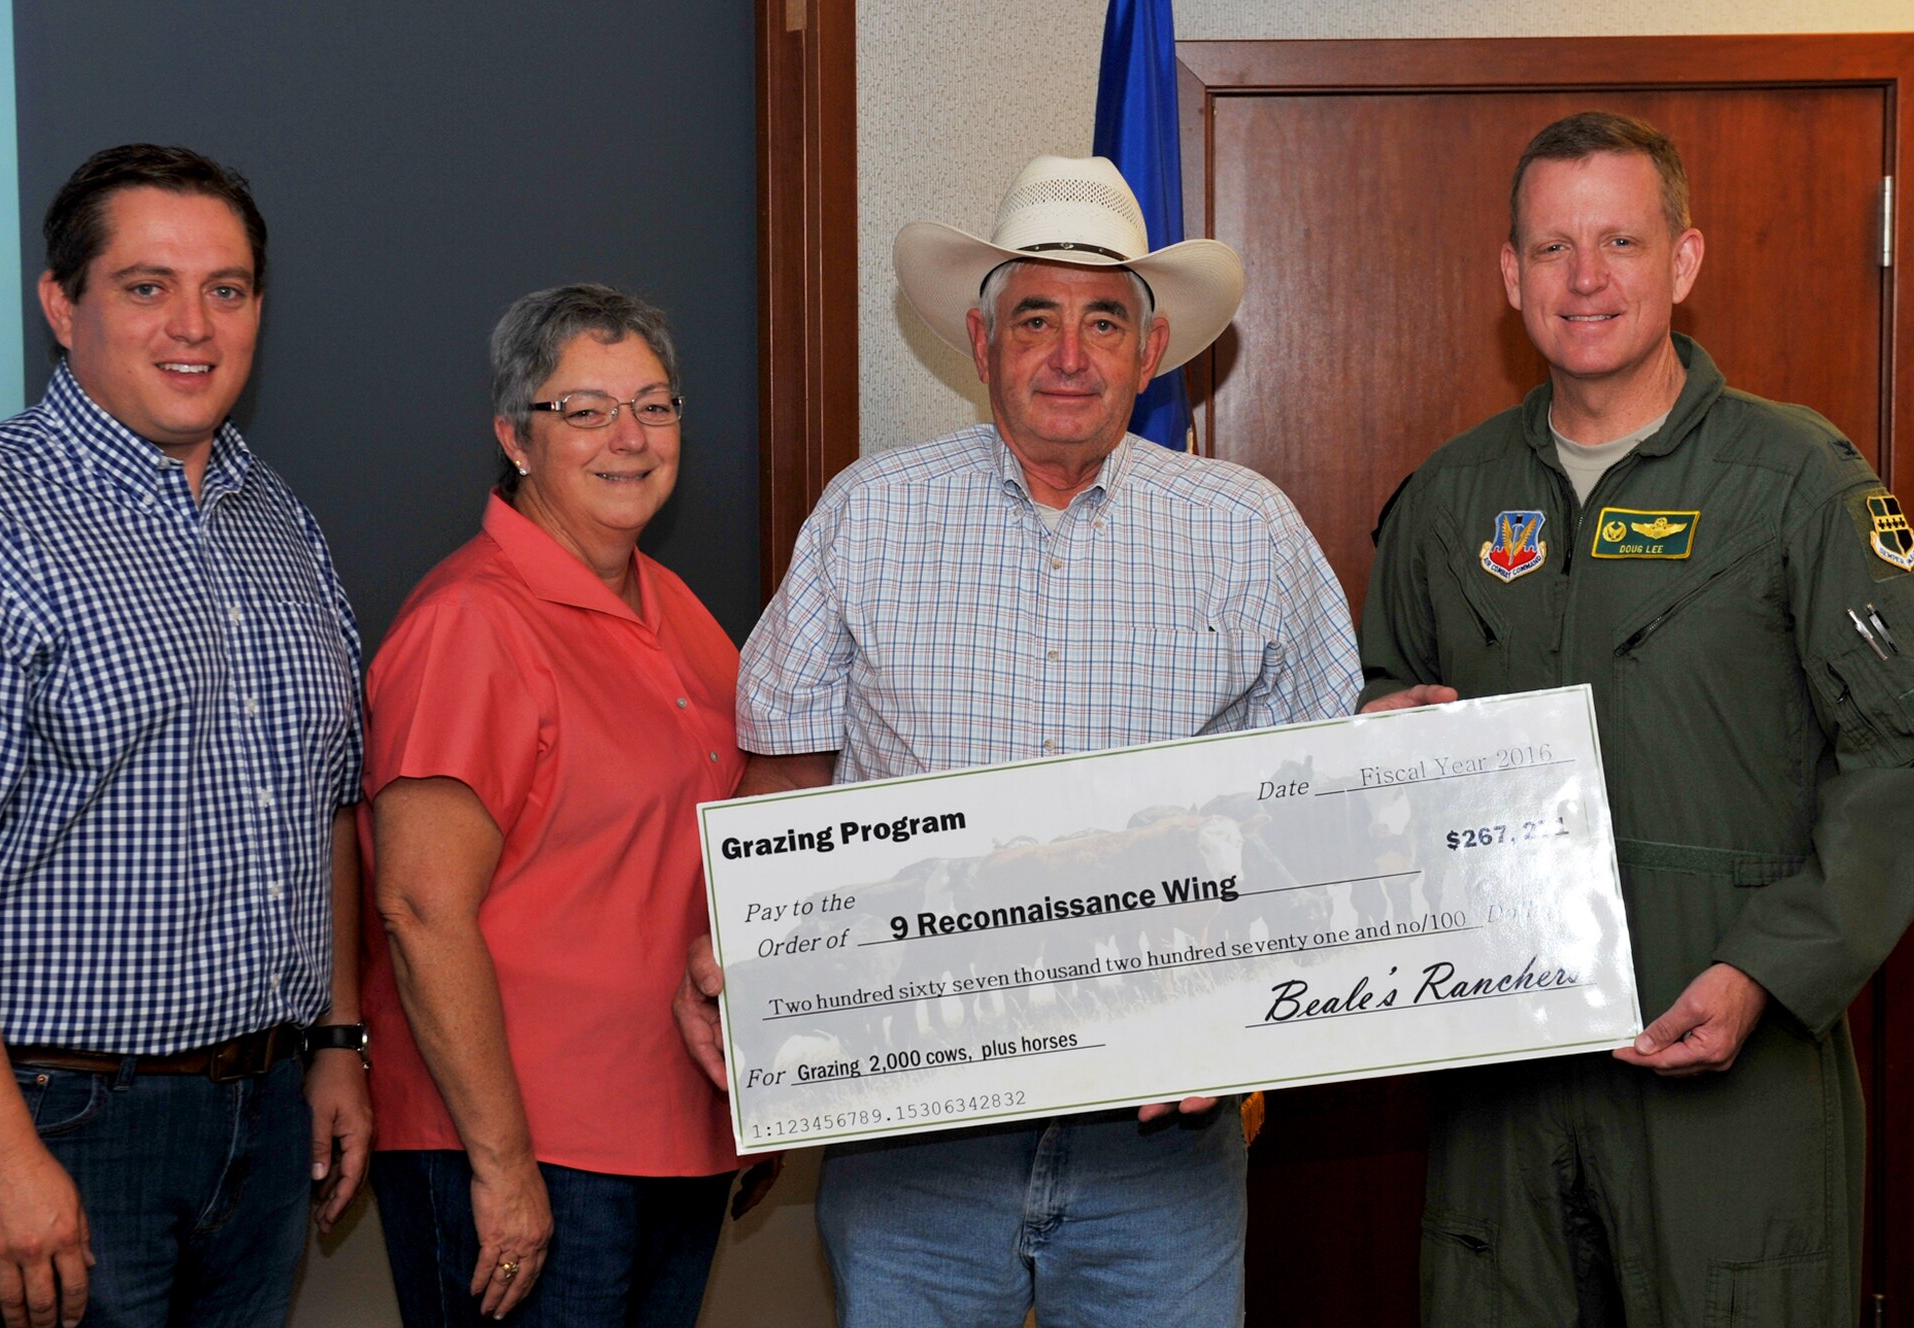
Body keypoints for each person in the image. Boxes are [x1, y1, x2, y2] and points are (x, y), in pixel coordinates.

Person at [674, 154, 1361, 1327]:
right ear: (977, 338)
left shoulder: (1249, 529)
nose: (1068, 352)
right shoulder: (865, 514)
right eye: (1033, 315)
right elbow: (780, 782)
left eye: (1104, 321)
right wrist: (729, 951)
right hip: (912, 1131)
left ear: (1151, 354)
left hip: (1164, 1140)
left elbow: (1321, 803)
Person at [1361, 111, 1914, 1325]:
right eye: (1551, 247)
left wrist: (1769, 967)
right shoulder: (1445, 500)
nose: (1585, 277)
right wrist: (1377, 736)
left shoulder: (1799, 482)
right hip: (1499, 1068)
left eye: (1618, 238)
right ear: (1510, 276)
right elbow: (1376, 706)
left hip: (1728, 1044)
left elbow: (1899, 752)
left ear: (1681, 261)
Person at [0, 144, 371, 1328]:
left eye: (225, 288)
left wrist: (334, 1039)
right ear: (62, 305)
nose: (194, 324)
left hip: (263, 1118)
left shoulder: (279, 521)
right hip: (56, 1116)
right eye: (144, 284)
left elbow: (323, 806)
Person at [361, 284, 744, 1326]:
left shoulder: (684, 615)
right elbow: (419, 909)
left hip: (674, 1137)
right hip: (532, 1154)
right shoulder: (471, 621)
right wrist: (503, 1165)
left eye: (653, 405)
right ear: (514, 438)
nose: (627, 436)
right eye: (582, 409)